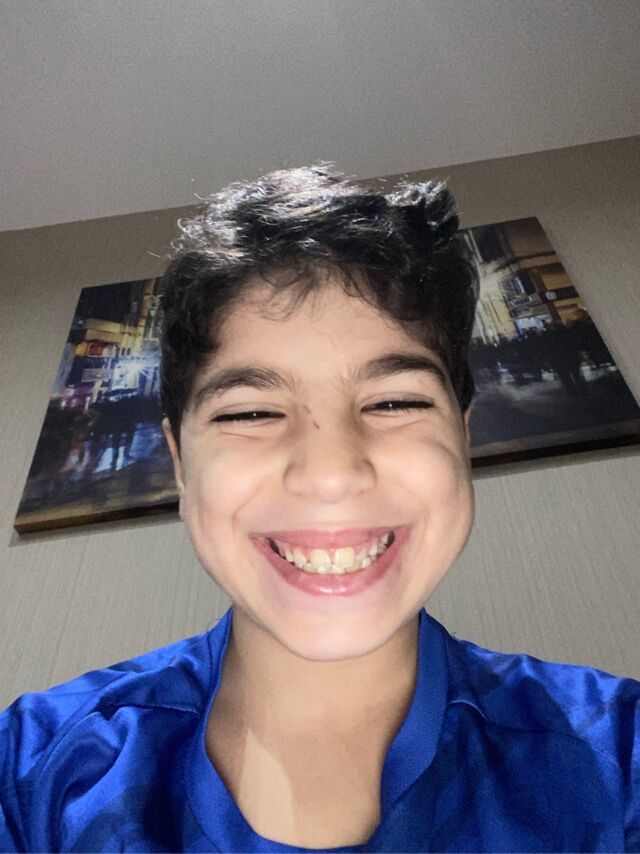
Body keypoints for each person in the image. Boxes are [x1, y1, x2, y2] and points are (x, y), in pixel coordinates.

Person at [1, 164, 638, 853]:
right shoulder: (34, 773)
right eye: (250, 412)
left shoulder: (620, 757)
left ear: (462, 435)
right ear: (180, 462)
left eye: (394, 402)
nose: (331, 474)